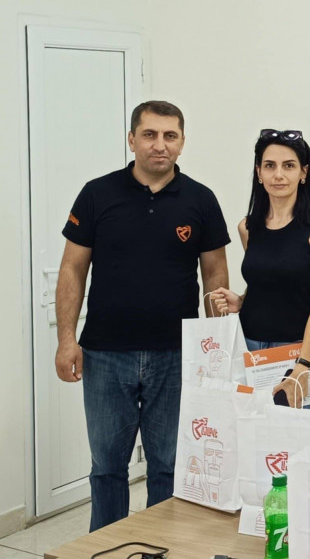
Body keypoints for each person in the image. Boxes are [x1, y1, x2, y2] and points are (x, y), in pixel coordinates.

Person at [55, 101, 230, 531]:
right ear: (132, 139)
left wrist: (216, 353)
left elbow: (215, 278)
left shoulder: (201, 200)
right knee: (107, 468)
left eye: (170, 136)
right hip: (105, 354)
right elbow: (72, 269)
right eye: (150, 134)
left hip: (176, 357)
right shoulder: (97, 194)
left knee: (168, 466)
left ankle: (159, 550)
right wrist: (66, 339)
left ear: (182, 143)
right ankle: (104, 550)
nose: (160, 145)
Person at [210, 129, 310, 409]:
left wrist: (303, 365)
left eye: (288, 166)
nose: (278, 175)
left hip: (296, 352)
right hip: (249, 350)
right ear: (259, 173)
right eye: (270, 166)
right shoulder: (247, 227)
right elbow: (271, 281)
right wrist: (242, 301)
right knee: (251, 433)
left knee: (300, 435)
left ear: (303, 173)